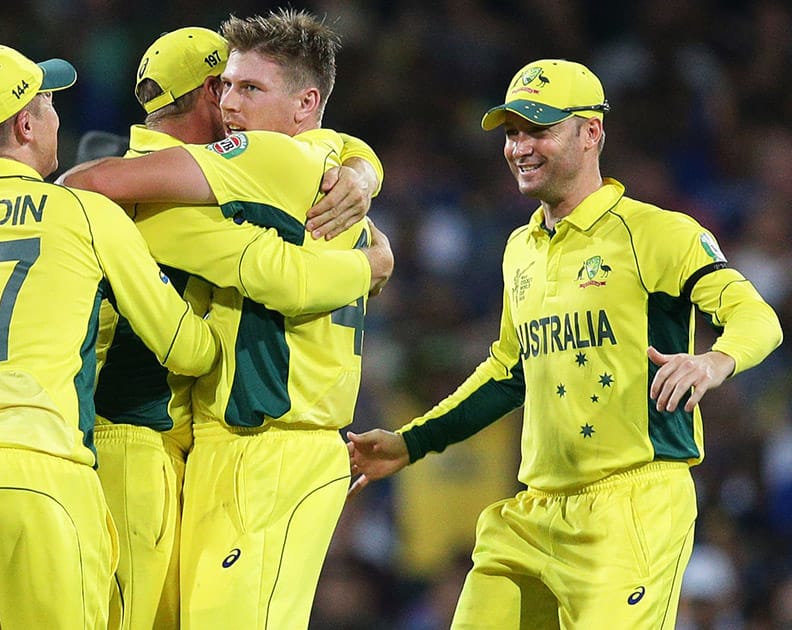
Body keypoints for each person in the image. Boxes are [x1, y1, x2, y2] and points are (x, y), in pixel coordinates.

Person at [347, 58, 783, 629]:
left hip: (632, 506)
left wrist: (715, 359)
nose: (520, 147)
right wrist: (411, 444)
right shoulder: (518, 248)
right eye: (511, 132)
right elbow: (508, 372)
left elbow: (757, 316)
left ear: (592, 133)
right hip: (534, 511)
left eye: (539, 129)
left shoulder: (656, 232)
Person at [60, 10, 384, 628]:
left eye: (248, 88)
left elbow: (86, 182)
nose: (232, 104)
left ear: (305, 102)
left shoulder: (249, 162)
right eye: (227, 87)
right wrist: (371, 250)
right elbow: (278, 265)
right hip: (219, 443)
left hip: (259, 446)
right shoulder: (319, 168)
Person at [0, 44, 220, 629]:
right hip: (38, 473)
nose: (55, 115)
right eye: (47, 102)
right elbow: (187, 349)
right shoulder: (81, 212)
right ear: (24, 125)